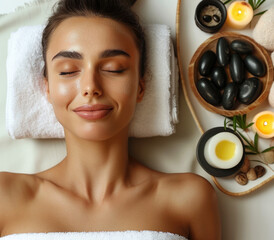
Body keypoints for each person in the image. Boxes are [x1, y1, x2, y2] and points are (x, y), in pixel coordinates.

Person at [0, 0, 221, 239]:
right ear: (48, 89)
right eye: (67, 71)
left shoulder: (189, 198)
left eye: (114, 69)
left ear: (140, 87)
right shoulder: (5, 197)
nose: (90, 87)